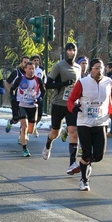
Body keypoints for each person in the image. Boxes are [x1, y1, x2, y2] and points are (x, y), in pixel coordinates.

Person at [67, 59, 112, 191]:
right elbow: (71, 99)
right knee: (87, 153)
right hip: (84, 123)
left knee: (99, 155)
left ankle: (83, 163)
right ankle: (84, 180)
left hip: (101, 122)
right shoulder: (82, 82)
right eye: (96, 68)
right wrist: (73, 108)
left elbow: (108, 100)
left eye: (101, 68)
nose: (99, 70)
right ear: (90, 70)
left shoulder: (108, 82)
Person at [42, 42, 81, 175]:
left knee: (73, 132)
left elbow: (79, 86)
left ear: (76, 52)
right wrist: (64, 84)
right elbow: (47, 84)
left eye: (73, 50)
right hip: (58, 103)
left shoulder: (78, 67)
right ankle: (48, 142)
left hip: (71, 104)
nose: (71, 52)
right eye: (69, 50)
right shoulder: (59, 66)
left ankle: (72, 163)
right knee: (55, 133)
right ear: (66, 51)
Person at [10, 61, 46, 157]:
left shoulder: (38, 80)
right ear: (25, 69)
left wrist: (40, 98)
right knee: (24, 126)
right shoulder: (20, 79)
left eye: (33, 69)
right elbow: (12, 89)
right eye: (29, 69)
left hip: (33, 106)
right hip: (22, 105)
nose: (31, 71)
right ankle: (25, 148)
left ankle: (25, 135)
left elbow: (43, 90)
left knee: (30, 130)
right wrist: (13, 97)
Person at [5, 56, 29, 135]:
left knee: (24, 117)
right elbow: (7, 83)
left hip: (26, 99)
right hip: (16, 98)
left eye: (27, 62)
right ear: (21, 63)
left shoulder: (31, 73)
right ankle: (11, 122)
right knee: (16, 119)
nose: (26, 64)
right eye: (24, 62)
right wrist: (11, 94)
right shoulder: (16, 73)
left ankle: (21, 135)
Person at [30, 55, 46, 138]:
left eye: (37, 60)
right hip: (29, 95)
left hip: (39, 94)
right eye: (34, 60)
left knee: (39, 114)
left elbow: (44, 79)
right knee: (29, 114)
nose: (36, 62)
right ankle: (24, 133)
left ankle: (34, 126)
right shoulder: (28, 69)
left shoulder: (41, 69)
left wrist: (44, 86)